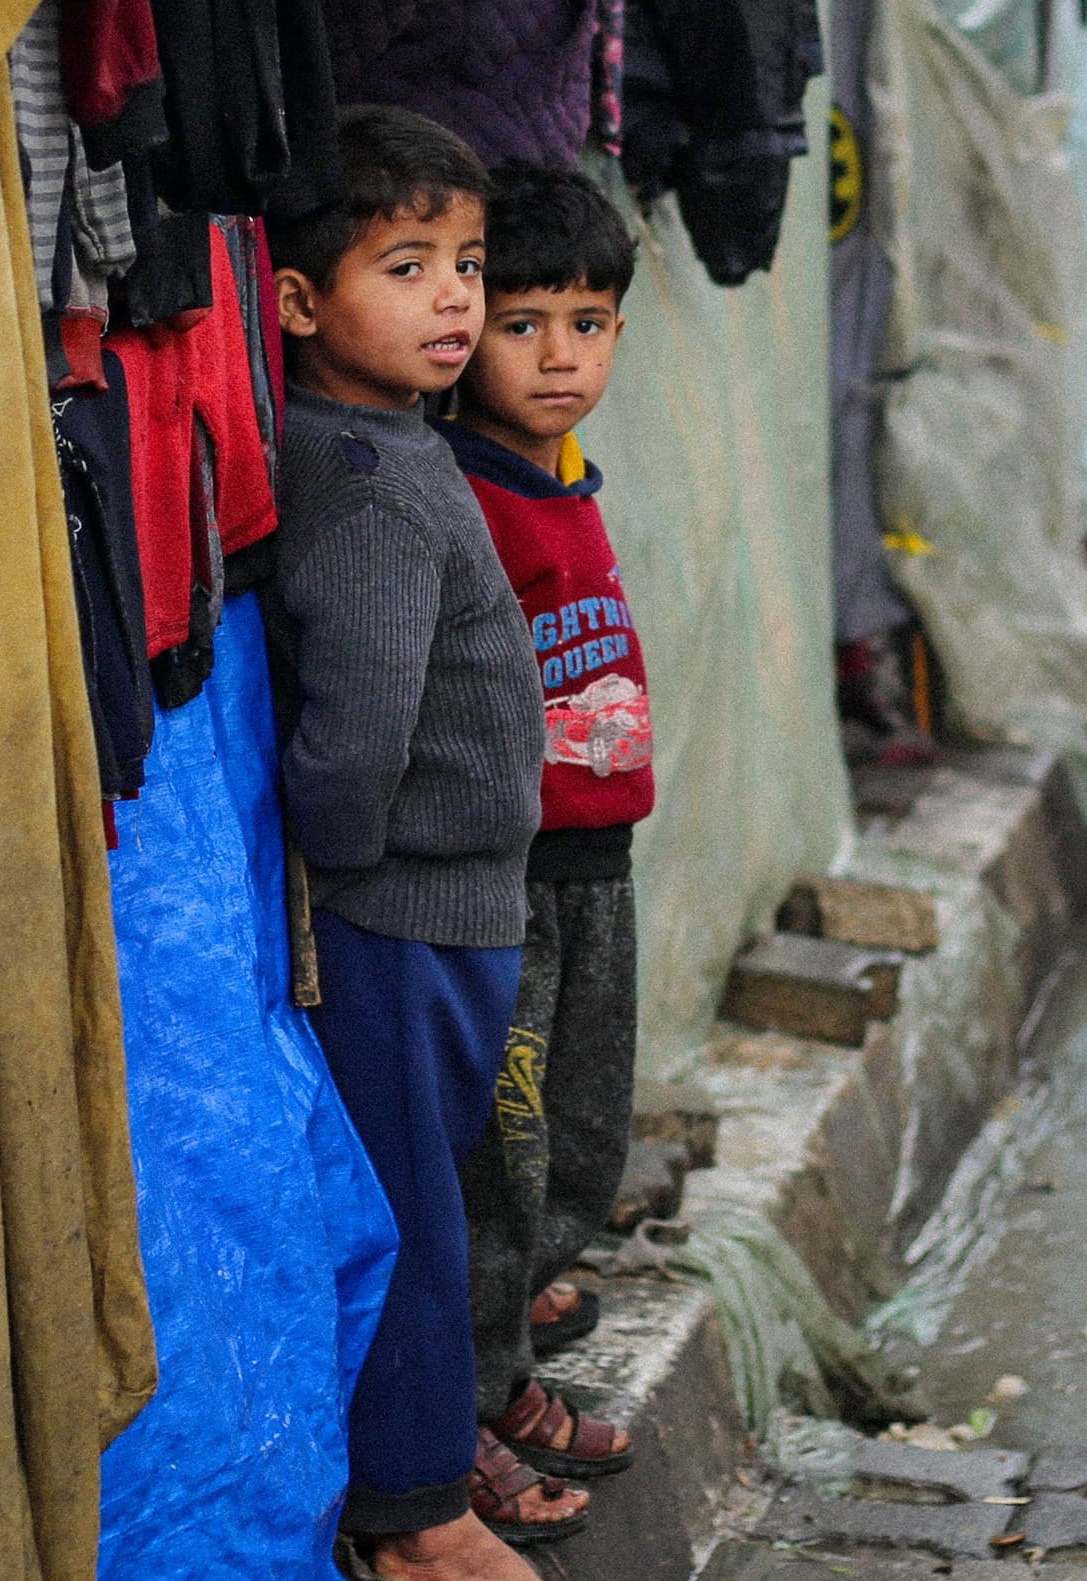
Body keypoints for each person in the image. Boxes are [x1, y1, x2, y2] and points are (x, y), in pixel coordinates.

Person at [261, 106, 567, 1577]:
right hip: (398, 920)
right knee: (411, 1218)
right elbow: (355, 736)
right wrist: (345, 863)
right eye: (407, 266)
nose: (456, 297)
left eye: (467, 263)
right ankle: (415, 1514)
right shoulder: (371, 484)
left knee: (428, 1197)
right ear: (297, 302)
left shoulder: (392, 441)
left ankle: (422, 1473)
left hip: (445, 910)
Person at [432, 159, 653, 1511]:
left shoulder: (560, 480)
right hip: (512, 879)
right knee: (502, 1152)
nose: (560, 357)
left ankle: (510, 1317)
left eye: (588, 324)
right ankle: (476, 1392)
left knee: (579, 1133)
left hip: (594, 869)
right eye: (523, 325)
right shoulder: (464, 497)